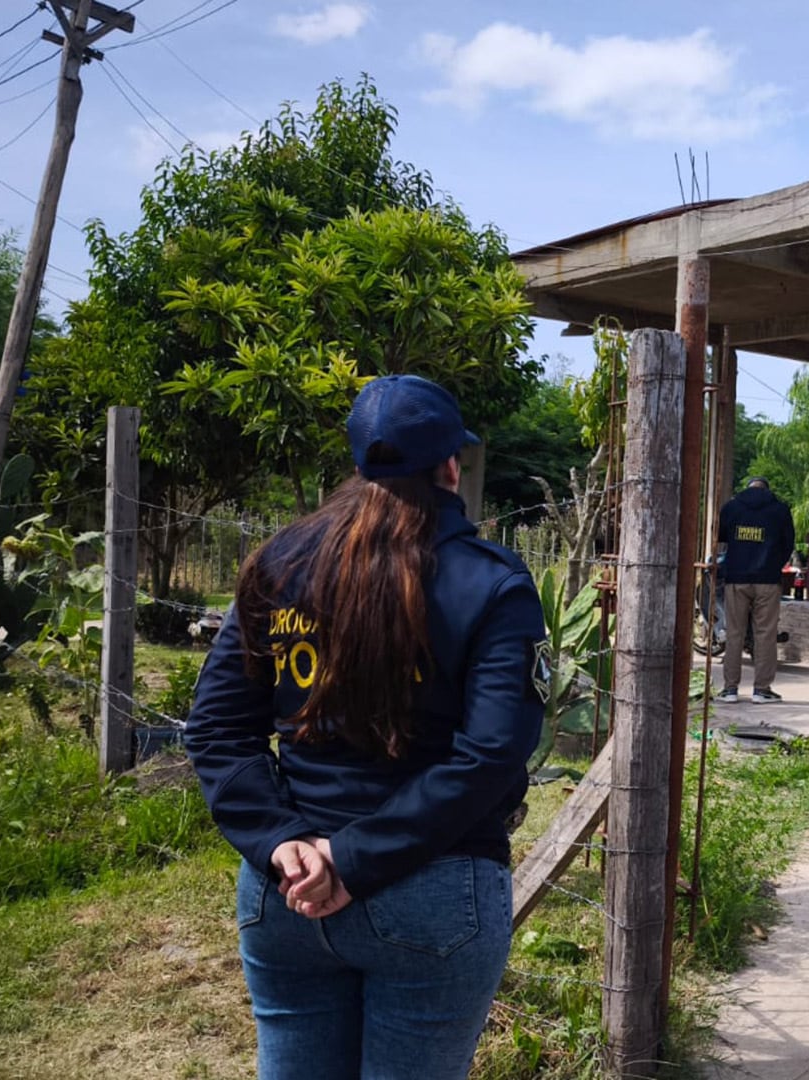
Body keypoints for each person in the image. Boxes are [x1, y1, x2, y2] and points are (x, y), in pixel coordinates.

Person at [185, 374, 547, 1080]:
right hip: (432, 893)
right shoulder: (493, 583)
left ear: (358, 465)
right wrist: (353, 859)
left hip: (286, 893)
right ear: (451, 466)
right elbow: (492, 754)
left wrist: (283, 842)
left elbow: (216, 729)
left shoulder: (280, 566)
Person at [716, 476, 795, 703]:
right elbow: (788, 544)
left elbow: (720, 536)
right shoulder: (780, 510)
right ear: (767, 489)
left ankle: (730, 689)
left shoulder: (732, 508)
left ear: (748, 487)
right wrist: (773, 564)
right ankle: (762, 690)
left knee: (734, 633)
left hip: (736, 579)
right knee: (765, 634)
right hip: (768, 580)